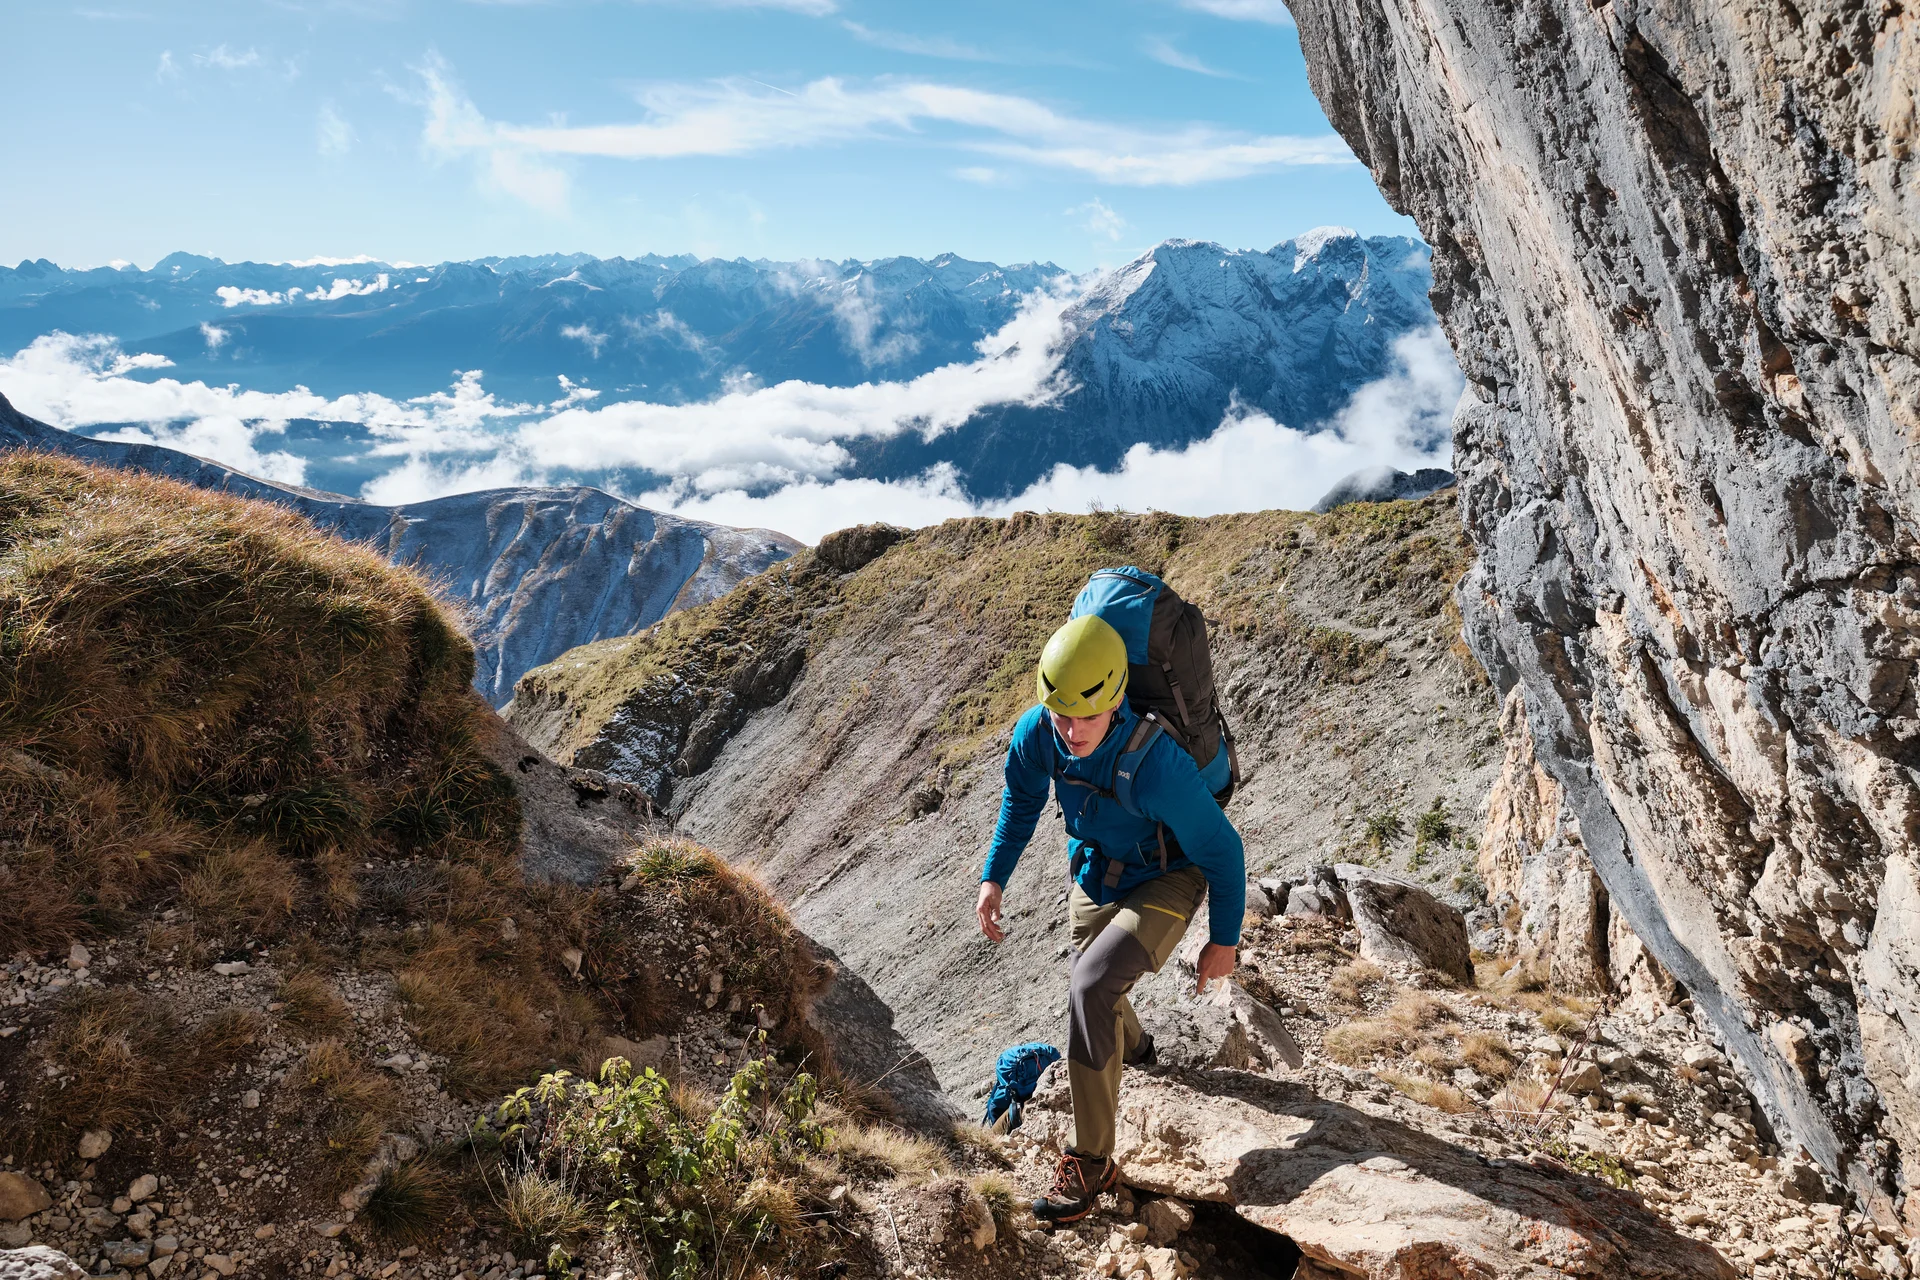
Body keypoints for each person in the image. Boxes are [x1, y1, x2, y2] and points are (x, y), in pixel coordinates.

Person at [975, 613, 1246, 1224]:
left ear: (1118, 696)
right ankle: (1141, 1052)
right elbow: (1021, 802)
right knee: (1094, 983)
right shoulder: (1038, 732)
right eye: (1058, 712)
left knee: (1092, 984)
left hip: (1170, 877)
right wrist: (995, 877)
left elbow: (1225, 853)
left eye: (1084, 716)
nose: (1069, 730)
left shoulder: (1156, 765)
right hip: (1096, 871)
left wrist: (1223, 941)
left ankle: (1092, 1163)